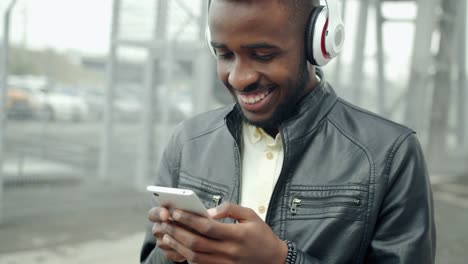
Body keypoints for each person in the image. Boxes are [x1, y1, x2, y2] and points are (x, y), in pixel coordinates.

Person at [140, 0, 436, 263]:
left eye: (263, 55)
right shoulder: (188, 142)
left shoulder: (389, 154)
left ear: (318, 45)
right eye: (225, 54)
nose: (239, 78)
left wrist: (283, 260)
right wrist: (174, 253)